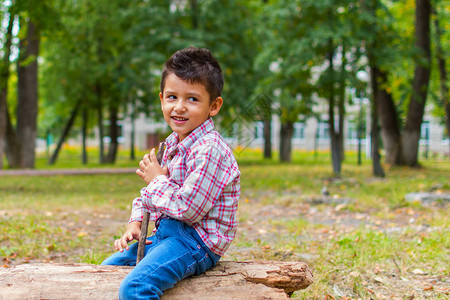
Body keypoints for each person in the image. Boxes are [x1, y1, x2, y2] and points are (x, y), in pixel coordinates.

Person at [101, 47, 241, 300]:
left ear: (214, 105)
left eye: (192, 99)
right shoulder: (173, 143)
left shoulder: (210, 150)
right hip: (168, 234)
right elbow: (152, 195)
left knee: (135, 288)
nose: (179, 107)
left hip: (196, 242)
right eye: (172, 97)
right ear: (161, 99)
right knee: (107, 271)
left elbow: (188, 209)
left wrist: (157, 180)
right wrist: (136, 220)